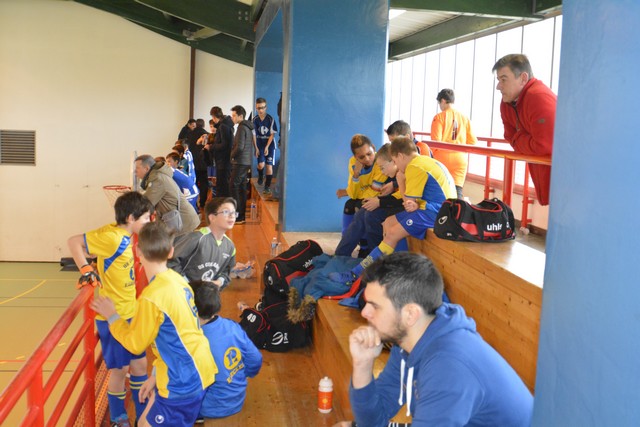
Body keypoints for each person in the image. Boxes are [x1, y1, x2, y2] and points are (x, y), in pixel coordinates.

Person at [344, 252, 533, 426]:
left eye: (374, 306)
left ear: (410, 314)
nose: (364, 312)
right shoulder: (407, 343)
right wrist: (362, 364)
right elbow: (373, 422)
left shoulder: (449, 365)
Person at [91, 222, 217, 427]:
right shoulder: (178, 280)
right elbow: (175, 335)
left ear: (138, 251)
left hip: (182, 380)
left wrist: (112, 317)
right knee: (143, 422)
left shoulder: (151, 297)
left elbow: (135, 344)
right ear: (171, 251)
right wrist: (156, 377)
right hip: (199, 366)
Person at [67, 191, 154, 427]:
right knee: (119, 370)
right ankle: (118, 418)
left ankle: (142, 414)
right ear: (131, 218)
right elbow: (74, 242)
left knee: (140, 366)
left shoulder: (126, 236)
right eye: (145, 218)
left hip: (130, 313)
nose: (148, 222)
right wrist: (86, 269)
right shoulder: (112, 237)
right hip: (113, 317)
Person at [330, 136, 455, 285]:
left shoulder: (414, 166)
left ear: (400, 156)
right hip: (436, 209)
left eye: (395, 161)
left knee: (392, 234)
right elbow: (412, 203)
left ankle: (355, 275)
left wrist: (400, 180)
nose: (396, 165)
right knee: (388, 222)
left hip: (437, 214)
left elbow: (408, 203)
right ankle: (388, 268)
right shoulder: (424, 161)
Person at [191, 281, 262, 421]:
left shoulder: (195, 340)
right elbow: (255, 358)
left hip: (208, 407)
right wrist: (242, 375)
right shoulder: (231, 325)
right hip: (237, 398)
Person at [494, 53, 556, 206]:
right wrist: (525, 140)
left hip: (567, 180)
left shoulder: (539, 97)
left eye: (503, 79)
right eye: (498, 80)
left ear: (523, 78)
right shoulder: (507, 103)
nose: (498, 86)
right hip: (543, 174)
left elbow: (544, 145)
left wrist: (519, 138)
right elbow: (509, 136)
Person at [335, 134, 388, 256]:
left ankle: (365, 247)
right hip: (363, 196)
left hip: (377, 197)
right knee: (349, 205)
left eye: (369, 154)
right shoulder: (353, 163)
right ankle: (344, 247)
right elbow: (353, 194)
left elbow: (375, 191)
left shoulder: (381, 162)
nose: (367, 159)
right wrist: (356, 174)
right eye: (361, 157)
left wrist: (349, 191)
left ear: (373, 148)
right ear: (355, 157)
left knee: (360, 207)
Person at [168, 197, 237, 289]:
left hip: (205, 295)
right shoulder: (195, 238)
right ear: (212, 217)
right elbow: (171, 261)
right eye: (226, 212)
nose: (232, 216)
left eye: (234, 212)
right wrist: (187, 283)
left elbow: (226, 271)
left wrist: (219, 282)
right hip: (182, 292)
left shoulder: (230, 247)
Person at [134, 154, 200, 236]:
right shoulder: (157, 176)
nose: (135, 171)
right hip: (178, 219)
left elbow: (145, 204)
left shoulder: (157, 179)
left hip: (183, 222)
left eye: (137, 168)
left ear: (146, 168)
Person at [431, 88, 478, 199]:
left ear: (443, 101)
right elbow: (472, 141)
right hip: (460, 159)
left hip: (442, 158)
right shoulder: (464, 118)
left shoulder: (439, 117)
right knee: (457, 192)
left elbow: (435, 142)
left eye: (439, 103)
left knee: (441, 192)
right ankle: (459, 209)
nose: (440, 106)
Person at [229, 105, 254, 224]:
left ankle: (239, 216)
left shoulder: (241, 127)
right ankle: (241, 216)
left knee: (233, 186)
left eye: (234, 115)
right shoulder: (247, 127)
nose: (232, 118)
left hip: (240, 162)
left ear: (240, 116)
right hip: (246, 162)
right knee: (241, 188)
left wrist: (231, 155)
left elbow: (239, 147)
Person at [252, 97, 278, 194]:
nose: (261, 110)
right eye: (259, 108)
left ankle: (267, 186)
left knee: (269, 166)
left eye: (263, 107)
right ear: (256, 108)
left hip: (269, 145)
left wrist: (267, 147)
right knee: (260, 165)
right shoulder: (254, 120)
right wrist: (256, 148)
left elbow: (272, 134)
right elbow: (254, 135)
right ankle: (260, 175)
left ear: (266, 107)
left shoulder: (270, 119)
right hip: (259, 144)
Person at [210, 106, 234, 198]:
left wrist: (211, 147)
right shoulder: (226, 125)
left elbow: (225, 144)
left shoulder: (223, 126)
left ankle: (222, 204)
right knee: (223, 185)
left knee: (222, 186)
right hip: (224, 160)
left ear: (214, 117)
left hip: (223, 161)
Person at [187, 119, 210, 211]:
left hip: (193, 163)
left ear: (196, 125)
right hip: (204, 163)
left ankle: (194, 203)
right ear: (203, 125)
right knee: (204, 183)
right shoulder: (207, 135)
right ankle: (203, 202)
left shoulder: (189, 134)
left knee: (194, 183)